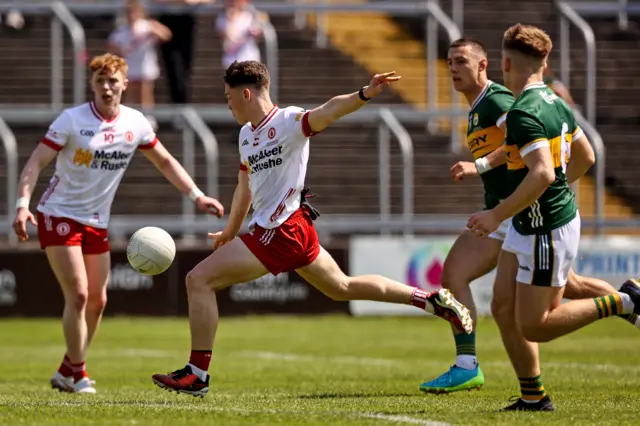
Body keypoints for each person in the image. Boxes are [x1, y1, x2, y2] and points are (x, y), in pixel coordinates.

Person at [151, 60, 474, 397]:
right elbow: (244, 187)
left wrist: (364, 93)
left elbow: (329, 110)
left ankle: (197, 374)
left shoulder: (289, 121)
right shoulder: (246, 136)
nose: (227, 103)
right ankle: (432, 300)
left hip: (282, 229)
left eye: (229, 96)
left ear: (246, 93)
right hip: (290, 228)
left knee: (198, 280)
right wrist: (231, 231)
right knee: (342, 287)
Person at [419, 38, 638, 395]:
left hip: (514, 211)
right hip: (515, 211)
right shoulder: (478, 105)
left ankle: (466, 364)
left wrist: (496, 186)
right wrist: (482, 167)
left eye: (461, 61)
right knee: (565, 286)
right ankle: (629, 303)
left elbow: (526, 142)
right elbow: (516, 147)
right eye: (449, 62)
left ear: (485, 65)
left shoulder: (498, 101)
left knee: (458, 276)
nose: (453, 68)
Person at [12, 53, 224, 394]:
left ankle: (67, 368)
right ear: (92, 85)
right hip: (58, 215)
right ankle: (78, 373)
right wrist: (23, 205)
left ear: (126, 83)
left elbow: (166, 162)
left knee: (98, 300)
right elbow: (35, 163)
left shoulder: (135, 123)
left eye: (113, 81)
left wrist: (197, 195)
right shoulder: (72, 120)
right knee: (79, 294)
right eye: (100, 82)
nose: (107, 88)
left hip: (97, 221)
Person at [108, 0, 172, 128]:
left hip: (145, 65)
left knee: (145, 93)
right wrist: (119, 50)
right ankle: (127, 119)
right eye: (129, 13)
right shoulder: (121, 31)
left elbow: (167, 35)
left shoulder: (147, 26)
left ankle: (148, 119)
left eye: (134, 12)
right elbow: (111, 47)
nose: (131, 15)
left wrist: (155, 29)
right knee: (129, 93)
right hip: (129, 66)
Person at [215, 0, 266, 69]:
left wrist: (259, 28)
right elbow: (226, 37)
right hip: (231, 61)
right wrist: (231, 19)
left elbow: (257, 35)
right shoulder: (223, 18)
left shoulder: (250, 16)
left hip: (249, 59)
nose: (232, 4)